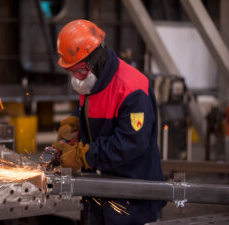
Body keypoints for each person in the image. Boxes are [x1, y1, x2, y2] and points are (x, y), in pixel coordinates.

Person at [53, 20, 166, 225]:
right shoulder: (93, 82)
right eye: (71, 72)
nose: (76, 79)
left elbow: (129, 143)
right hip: (99, 188)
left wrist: (83, 156)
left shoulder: (132, 89)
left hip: (131, 194)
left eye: (78, 71)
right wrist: (75, 122)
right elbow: (92, 111)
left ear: (95, 59)